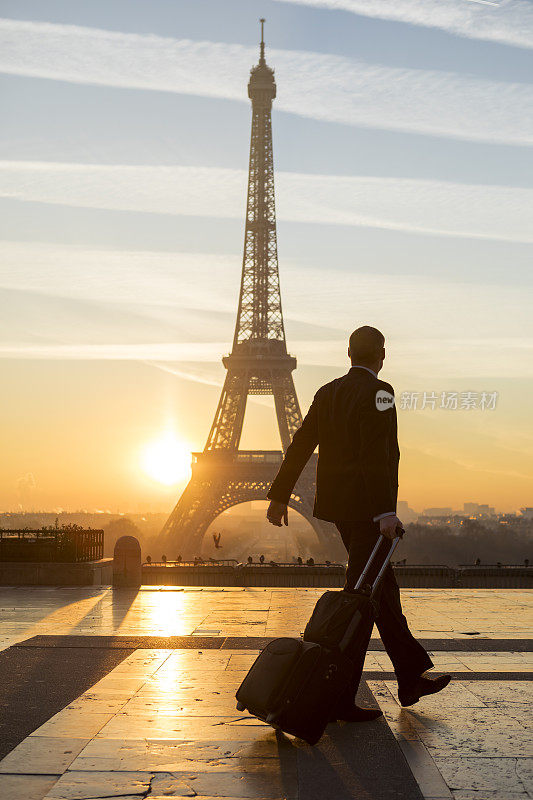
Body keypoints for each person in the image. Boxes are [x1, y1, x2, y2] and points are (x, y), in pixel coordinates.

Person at [266, 326, 451, 722]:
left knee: (378, 595)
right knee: (359, 602)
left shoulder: (327, 392)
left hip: (340, 510)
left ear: (349, 354)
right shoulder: (381, 392)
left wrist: (281, 493)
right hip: (371, 512)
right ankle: (337, 693)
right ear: (381, 355)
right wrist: (384, 510)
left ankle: (410, 678)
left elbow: (300, 444)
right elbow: (375, 454)